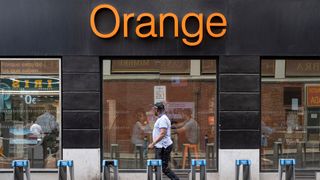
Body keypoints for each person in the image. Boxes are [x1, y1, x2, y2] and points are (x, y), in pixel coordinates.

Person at [148, 102, 179, 180]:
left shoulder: (163, 119)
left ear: (157, 110)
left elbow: (162, 133)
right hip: (160, 146)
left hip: (164, 146)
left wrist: (153, 143)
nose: (153, 111)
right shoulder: (161, 118)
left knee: (164, 168)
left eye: (154, 109)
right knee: (157, 166)